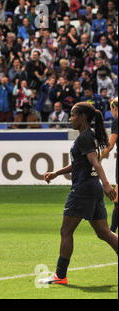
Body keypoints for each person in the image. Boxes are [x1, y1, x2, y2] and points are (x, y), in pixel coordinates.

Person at [41, 102, 118, 285]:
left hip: (82, 190)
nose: (70, 119)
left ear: (83, 117)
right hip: (93, 189)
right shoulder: (91, 136)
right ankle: (60, 275)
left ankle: (60, 275)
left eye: (73, 115)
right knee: (104, 232)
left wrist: (107, 184)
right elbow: (81, 162)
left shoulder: (84, 138)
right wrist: (57, 173)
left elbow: (95, 162)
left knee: (66, 231)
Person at [99, 98, 118, 233]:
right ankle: (112, 230)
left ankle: (111, 231)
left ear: (115, 109)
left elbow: (110, 145)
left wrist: (97, 157)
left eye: (111, 109)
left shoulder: (117, 122)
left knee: (117, 200)